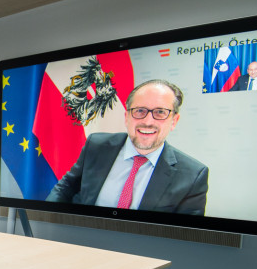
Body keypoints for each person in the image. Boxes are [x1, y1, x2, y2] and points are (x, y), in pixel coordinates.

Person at [46, 79, 208, 215]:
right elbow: (66, 187)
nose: (148, 121)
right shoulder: (96, 145)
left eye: (160, 112)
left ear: (174, 121)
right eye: (139, 111)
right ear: (127, 117)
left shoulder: (193, 176)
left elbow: (184, 236)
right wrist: (49, 219)